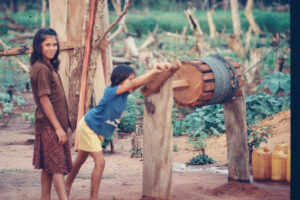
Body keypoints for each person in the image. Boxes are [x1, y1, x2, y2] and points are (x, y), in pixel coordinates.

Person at [66, 63, 172, 199]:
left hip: (98, 130)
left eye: (133, 79)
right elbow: (135, 84)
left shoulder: (123, 95)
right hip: (89, 127)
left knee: (81, 159)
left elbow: (139, 83)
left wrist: (158, 73)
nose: (132, 82)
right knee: (100, 163)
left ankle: (66, 185)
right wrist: (154, 70)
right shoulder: (111, 91)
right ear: (119, 80)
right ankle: (93, 197)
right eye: (130, 79)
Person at [30, 28, 72, 200]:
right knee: (57, 167)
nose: (52, 48)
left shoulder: (48, 66)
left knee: (49, 167)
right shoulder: (41, 68)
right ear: (39, 46)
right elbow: (44, 99)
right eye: (47, 44)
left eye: (54, 44)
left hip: (52, 125)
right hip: (50, 126)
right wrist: (58, 128)